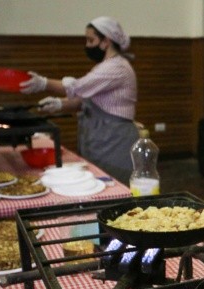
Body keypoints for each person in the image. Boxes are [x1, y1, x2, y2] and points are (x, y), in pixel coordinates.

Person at [19, 16, 138, 183]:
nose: (87, 46)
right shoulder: (105, 66)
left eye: (91, 40)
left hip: (114, 141)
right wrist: (60, 104)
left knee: (115, 185)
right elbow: (86, 99)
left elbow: (78, 87)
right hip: (100, 138)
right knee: (97, 181)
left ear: (106, 41)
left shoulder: (117, 67)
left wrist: (43, 83)